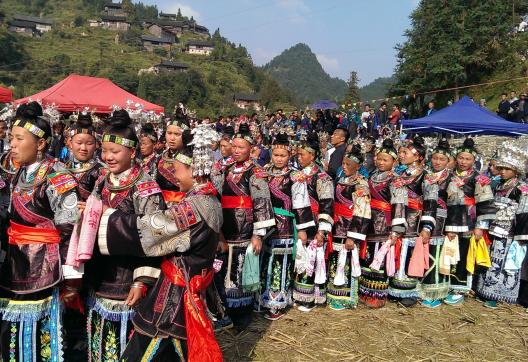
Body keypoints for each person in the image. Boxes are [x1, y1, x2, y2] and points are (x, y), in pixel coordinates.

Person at [96, 124, 223, 361]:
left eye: (177, 170)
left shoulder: (195, 206)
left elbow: (152, 230)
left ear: (194, 170)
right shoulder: (209, 200)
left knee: (148, 348)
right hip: (186, 287)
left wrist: (108, 216)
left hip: (174, 294)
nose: (174, 177)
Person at [0, 101, 80, 360]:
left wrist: (71, 278)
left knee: (37, 336)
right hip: (14, 261)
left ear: (41, 144)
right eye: (11, 137)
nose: (11, 143)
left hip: (43, 266)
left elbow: (69, 227)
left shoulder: (58, 175)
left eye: (19, 138)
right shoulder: (17, 172)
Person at [85, 109, 164, 361]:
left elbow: (154, 236)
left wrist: (141, 281)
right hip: (101, 274)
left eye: (115, 152)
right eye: (104, 151)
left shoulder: (145, 186)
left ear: (132, 152)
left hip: (129, 277)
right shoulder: (101, 182)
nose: (107, 157)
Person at [217, 123, 275, 329]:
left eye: (241, 147)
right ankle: (224, 311)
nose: (236, 151)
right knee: (223, 273)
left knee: (241, 274)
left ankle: (242, 316)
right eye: (234, 147)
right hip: (225, 228)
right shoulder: (224, 169)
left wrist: (258, 235)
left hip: (245, 229)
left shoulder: (256, 172)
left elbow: (261, 204)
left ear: (251, 149)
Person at [260, 132, 314, 320]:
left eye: (283, 155)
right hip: (265, 223)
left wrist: (303, 230)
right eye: (276, 155)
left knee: (280, 263)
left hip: (285, 226)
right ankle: (261, 299)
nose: (279, 159)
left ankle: (277, 302)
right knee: (264, 261)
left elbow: (301, 203)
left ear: (289, 155)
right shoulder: (264, 171)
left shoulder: (295, 176)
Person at [443, 138, 496, 305]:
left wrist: (480, 226)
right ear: (455, 158)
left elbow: (485, 204)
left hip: (469, 220)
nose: (463, 161)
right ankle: (446, 285)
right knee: (450, 253)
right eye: (461, 158)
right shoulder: (448, 175)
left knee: (465, 253)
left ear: (474, 161)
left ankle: (460, 288)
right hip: (450, 219)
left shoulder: (479, 178)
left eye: (467, 159)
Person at [476, 143, 528, 308]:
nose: (503, 171)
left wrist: (521, 237)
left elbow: (523, 212)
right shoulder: (497, 185)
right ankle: (485, 290)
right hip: (494, 229)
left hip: (509, 232)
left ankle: (500, 294)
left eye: (507, 169)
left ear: (516, 171)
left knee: (505, 262)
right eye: (501, 168)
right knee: (491, 259)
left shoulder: (521, 189)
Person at [292, 132, 334, 312]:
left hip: (315, 222)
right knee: (301, 257)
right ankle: (299, 294)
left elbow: (327, 204)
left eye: (303, 154)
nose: (299, 157)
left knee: (312, 259)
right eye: (298, 154)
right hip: (299, 221)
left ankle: (310, 298)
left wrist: (322, 230)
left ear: (313, 155)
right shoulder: (297, 174)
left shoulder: (322, 177)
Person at [326, 144, 371, 310]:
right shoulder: (342, 179)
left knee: (347, 261)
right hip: (337, 225)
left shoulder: (361, 184)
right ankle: (333, 294)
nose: (344, 167)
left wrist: (352, 235)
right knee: (335, 261)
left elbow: (362, 211)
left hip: (349, 227)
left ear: (358, 167)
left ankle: (346, 297)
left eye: (348, 165)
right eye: (343, 164)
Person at [386, 136, 428, 307]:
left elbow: (431, 202)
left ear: (417, 156)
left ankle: (410, 292)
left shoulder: (425, 176)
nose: (401, 155)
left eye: (405, 152)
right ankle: (395, 288)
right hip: (397, 214)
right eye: (401, 152)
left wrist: (426, 226)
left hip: (414, 218)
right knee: (398, 251)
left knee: (410, 253)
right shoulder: (400, 174)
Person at [359, 138, 398, 308]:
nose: (381, 162)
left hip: (385, 222)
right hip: (369, 220)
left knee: (379, 258)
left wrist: (396, 229)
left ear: (394, 162)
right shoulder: (372, 175)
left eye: (386, 160)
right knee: (368, 257)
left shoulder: (396, 180)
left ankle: (377, 296)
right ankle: (365, 292)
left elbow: (399, 205)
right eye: (379, 159)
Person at [419, 139, 453, 308]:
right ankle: (422, 288)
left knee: (437, 253)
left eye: (442, 159)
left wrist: (452, 226)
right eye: (435, 158)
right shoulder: (425, 175)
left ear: (448, 162)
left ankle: (436, 291)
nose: (437, 162)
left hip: (442, 220)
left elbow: (456, 204)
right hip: (424, 216)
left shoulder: (451, 178)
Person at [155, 108, 190, 205]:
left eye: (177, 134)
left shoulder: (193, 160)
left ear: (186, 136)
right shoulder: (159, 159)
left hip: (186, 208)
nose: (172, 138)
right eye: (169, 133)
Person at [65, 112, 103, 201]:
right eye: (79, 143)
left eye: (89, 143)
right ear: (70, 143)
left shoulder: (101, 172)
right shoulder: (61, 168)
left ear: (96, 145)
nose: (83, 148)